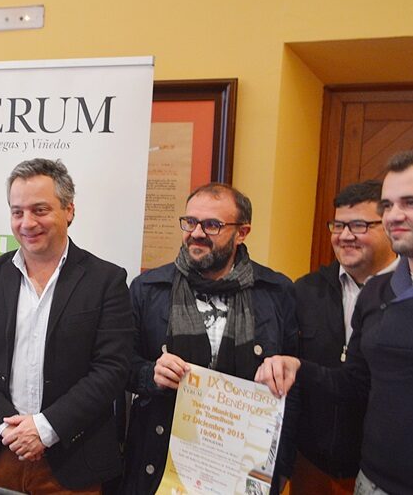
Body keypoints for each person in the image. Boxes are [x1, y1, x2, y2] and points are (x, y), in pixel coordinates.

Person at [257, 150, 413, 495]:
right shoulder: (376, 292)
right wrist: (297, 366)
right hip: (371, 482)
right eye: (388, 205)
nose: (395, 216)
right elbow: (355, 383)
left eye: (411, 203)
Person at [0, 158, 133, 494]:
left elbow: (112, 369)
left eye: (40, 210)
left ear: (69, 210)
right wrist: (6, 428)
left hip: (73, 459)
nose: (27, 223)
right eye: (17, 212)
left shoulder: (106, 280)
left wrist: (45, 428)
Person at [121, 183, 297, 495]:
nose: (197, 233)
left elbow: (294, 387)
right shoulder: (148, 289)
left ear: (242, 232)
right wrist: (151, 374)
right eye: (190, 222)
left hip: (241, 467)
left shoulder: (276, 292)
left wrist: (281, 465)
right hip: (161, 462)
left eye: (212, 225)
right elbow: (120, 366)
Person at [290, 181, 397, 495]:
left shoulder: (412, 294)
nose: (345, 236)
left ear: (389, 226)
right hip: (311, 463)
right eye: (338, 225)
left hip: (383, 469)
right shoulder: (305, 290)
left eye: (359, 225)